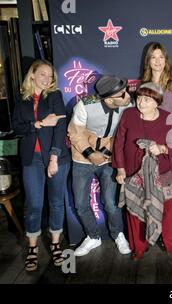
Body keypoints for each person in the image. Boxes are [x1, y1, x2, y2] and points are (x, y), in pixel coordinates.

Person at [113, 82, 172, 261]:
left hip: (161, 173)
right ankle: (138, 247)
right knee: (134, 211)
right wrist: (121, 169)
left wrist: (161, 148)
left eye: (146, 99)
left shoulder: (169, 117)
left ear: (156, 101)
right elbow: (119, 143)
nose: (141, 102)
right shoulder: (128, 114)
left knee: (169, 211)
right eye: (139, 98)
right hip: (133, 172)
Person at [12, 59, 70, 271]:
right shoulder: (22, 99)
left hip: (56, 157)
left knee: (56, 202)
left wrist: (53, 157)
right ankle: (33, 247)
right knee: (34, 204)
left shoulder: (54, 96)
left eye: (50, 75)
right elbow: (17, 127)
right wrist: (37, 124)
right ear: (33, 75)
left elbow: (60, 127)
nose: (47, 79)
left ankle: (55, 244)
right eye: (43, 74)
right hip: (31, 159)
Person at [68, 74, 131, 257]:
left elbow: (125, 134)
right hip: (82, 159)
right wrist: (90, 153)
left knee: (111, 203)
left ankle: (118, 234)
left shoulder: (127, 104)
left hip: (110, 159)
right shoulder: (85, 105)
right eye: (122, 94)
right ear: (110, 99)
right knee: (80, 203)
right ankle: (93, 236)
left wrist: (106, 153)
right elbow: (75, 132)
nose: (127, 95)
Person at [141, 42, 172, 243]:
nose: (157, 61)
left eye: (161, 57)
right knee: (151, 189)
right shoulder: (143, 85)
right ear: (148, 61)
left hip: (170, 145)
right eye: (153, 57)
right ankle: (157, 231)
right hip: (149, 145)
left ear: (166, 60)